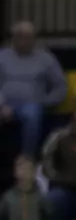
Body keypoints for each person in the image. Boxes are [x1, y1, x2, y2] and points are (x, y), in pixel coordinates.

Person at [0, 20, 67, 160]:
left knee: (32, 114)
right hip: (4, 101)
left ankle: (27, 158)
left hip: (31, 103)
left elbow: (60, 86)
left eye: (28, 37)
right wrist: (2, 105)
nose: (23, 41)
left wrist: (44, 101)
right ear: (13, 38)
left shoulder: (46, 59)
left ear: (34, 39)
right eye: (19, 36)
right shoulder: (2, 56)